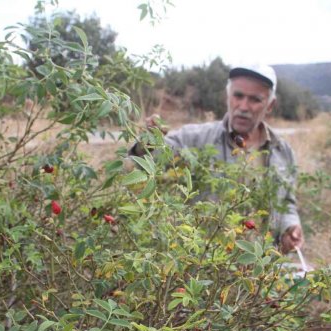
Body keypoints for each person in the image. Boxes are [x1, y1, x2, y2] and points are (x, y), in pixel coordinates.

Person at [130, 63, 304, 254]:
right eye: (238, 96)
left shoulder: (282, 151)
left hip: (258, 270)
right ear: (227, 96)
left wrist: (290, 227)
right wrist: (150, 141)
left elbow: (286, 201)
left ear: (270, 105)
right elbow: (146, 162)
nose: (243, 107)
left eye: (255, 99)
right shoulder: (195, 138)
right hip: (205, 265)